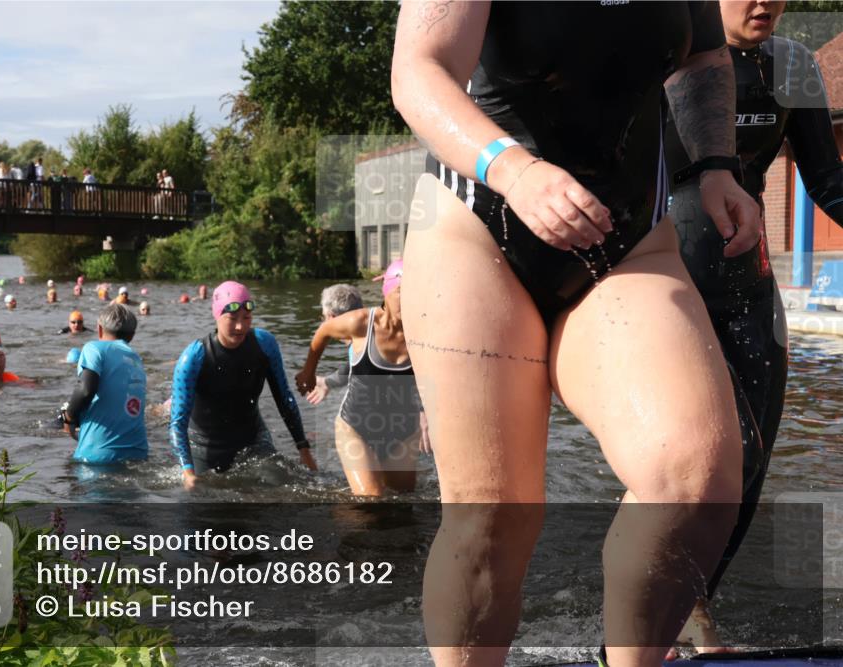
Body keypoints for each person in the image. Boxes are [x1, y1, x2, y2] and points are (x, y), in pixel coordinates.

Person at [391, 2, 763, 664]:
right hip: (479, 226)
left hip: (628, 241)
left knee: (697, 476)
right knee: (493, 519)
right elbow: (420, 69)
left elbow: (705, 54)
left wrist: (713, 163)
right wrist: (513, 169)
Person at [664, 0, 843, 653]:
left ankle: (692, 604)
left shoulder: (791, 64)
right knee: (704, 451)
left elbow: (828, 179)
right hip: (665, 283)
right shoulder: (666, 47)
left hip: (750, 285)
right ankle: (659, 601)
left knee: (754, 455)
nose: (765, 1)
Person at [297, 261, 430, 496]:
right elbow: (323, 331)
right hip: (357, 427)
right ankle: (341, 525)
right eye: (402, 292)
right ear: (387, 291)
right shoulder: (361, 323)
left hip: (403, 431)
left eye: (417, 292)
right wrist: (308, 371)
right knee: (371, 502)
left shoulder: (427, 332)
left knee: (403, 505)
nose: (410, 299)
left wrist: (426, 414)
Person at [169, 281, 316, 490]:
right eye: (232, 318)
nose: (240, 327)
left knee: (283, 489)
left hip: (254, 440)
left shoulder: (264, 344)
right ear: (217, 316)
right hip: (204, 447)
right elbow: (177, 422)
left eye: (246, 318)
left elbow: (284, 398)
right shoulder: (194, 357)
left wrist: (304, 450)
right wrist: (188, 472)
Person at [61, 303, 148, 464]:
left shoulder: (94, 348)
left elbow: (86, 389)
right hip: (139, 452)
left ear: (99, 329)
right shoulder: (136, 359)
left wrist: (69, 417)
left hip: (99, 455)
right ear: (132, 335)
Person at [303, 284, 364, 406]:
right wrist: (327, 382)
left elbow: (355, 369)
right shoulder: (369, 336)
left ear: (332, 318)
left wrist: (327, 382)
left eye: (323, 317)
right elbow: (352, 368)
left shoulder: (359, 346)